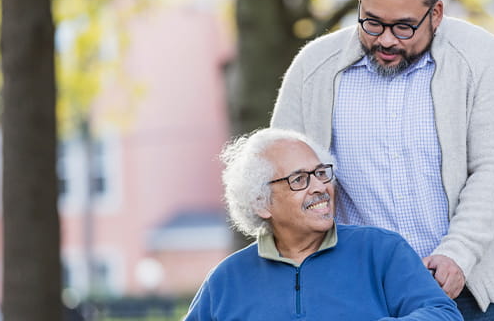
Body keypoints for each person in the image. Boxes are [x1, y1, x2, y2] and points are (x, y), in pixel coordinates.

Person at [270, 0, 494, 320]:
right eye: (372, 22)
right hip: (356, 291)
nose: (386, 40)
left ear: (435, 13)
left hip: (464, 284)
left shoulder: (482, 59)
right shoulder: (313, 69)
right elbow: (279, 174)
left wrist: (459, 253)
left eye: (403, 27)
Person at [183, 128, 463, 321]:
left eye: (321, 173)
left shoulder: (380, 250)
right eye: (299, 179)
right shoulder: (227, 279)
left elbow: (444, 314)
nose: (319, 187)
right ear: (261, 203)